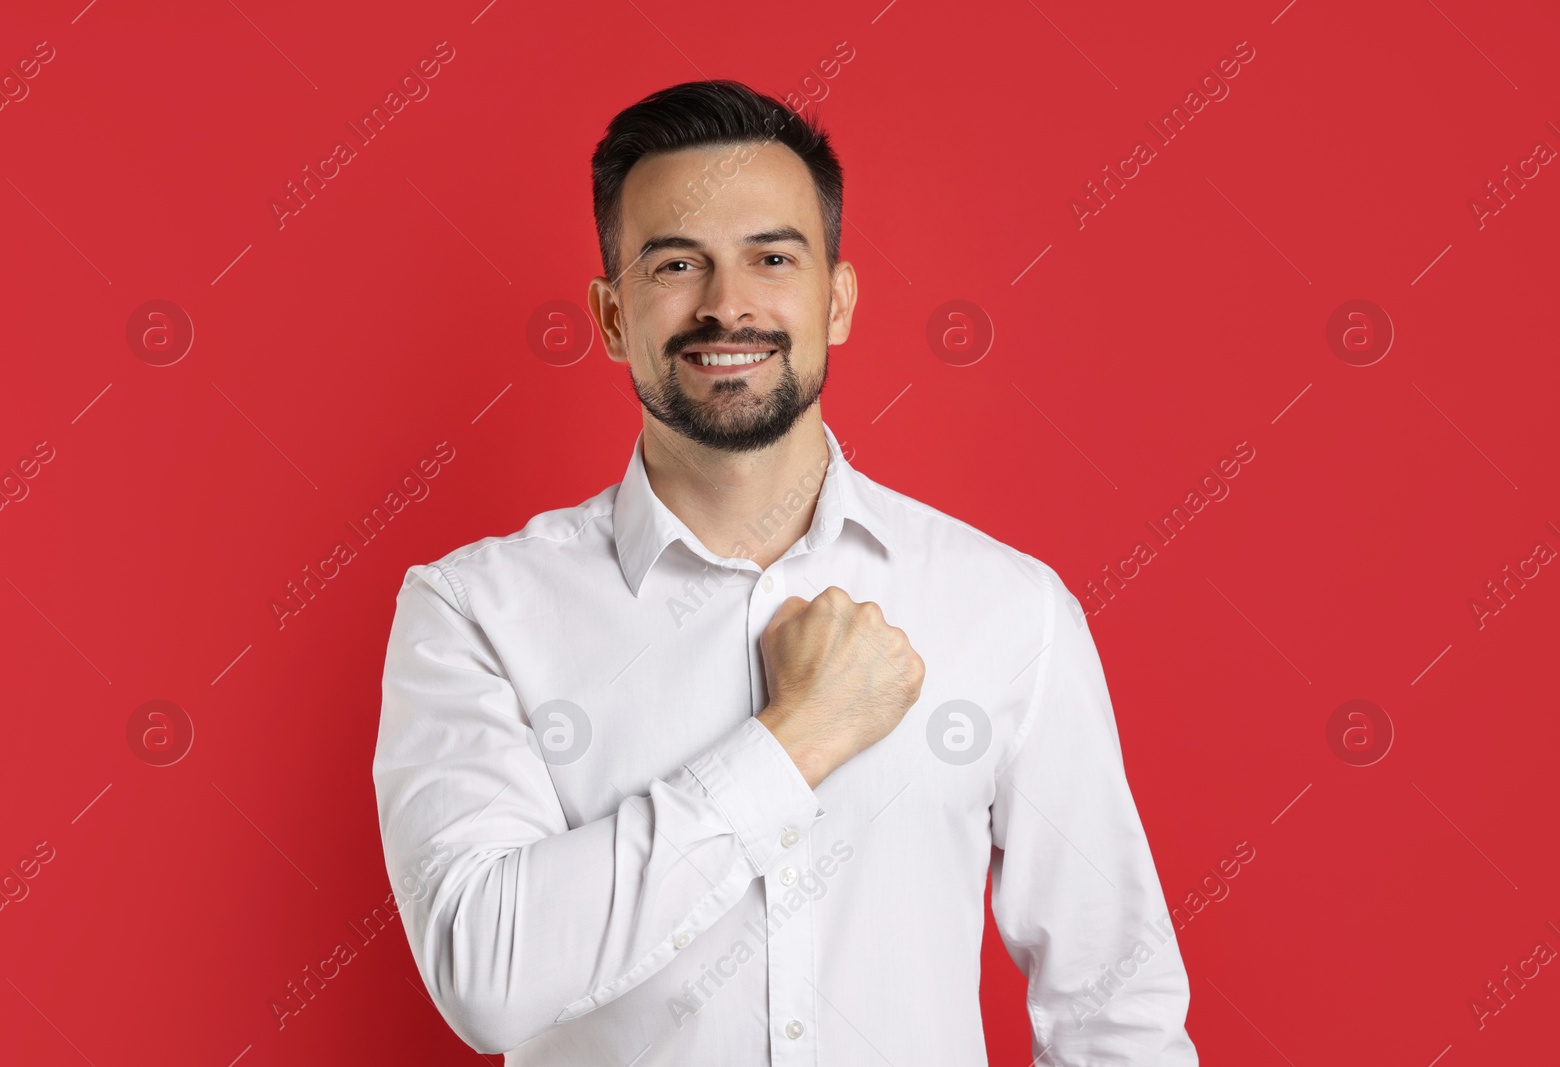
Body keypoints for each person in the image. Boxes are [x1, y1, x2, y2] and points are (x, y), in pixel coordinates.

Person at [373, 79, 1199, 1065]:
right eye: (676, 263)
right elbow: (486, 976)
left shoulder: (1008, 608)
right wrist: (794, 736)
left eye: (772, 257)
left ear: (835, 300)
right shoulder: (473, 611)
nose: (727, 305)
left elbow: (1115, 1003)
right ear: (608, 314)